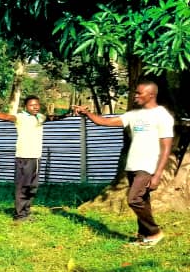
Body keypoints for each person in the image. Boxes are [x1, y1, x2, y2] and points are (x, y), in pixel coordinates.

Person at [74, 80, 174, 246]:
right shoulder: (134, 115)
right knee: (143, 200)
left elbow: (166, 148)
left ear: (151, 95)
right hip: (132, 164)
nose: (135, 96)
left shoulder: (162, 115)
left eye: (139, 93)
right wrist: (87, 113)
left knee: (133, 199)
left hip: (148, 165)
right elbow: (105, 122)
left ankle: (155, 231)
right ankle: (144, 236)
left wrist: (157, 175)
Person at [0, 96, 69, 221]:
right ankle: (19, 215)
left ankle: (26, 212)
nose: (36, 107)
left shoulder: (40, 117)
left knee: (32, 187)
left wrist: (67, 114)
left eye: (37, 105)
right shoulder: (21, 117)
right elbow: (7, 117)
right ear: (26, 107)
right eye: (32, 105)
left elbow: (52, 118)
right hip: (24, 157)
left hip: (36, 158)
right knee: (23, 186)